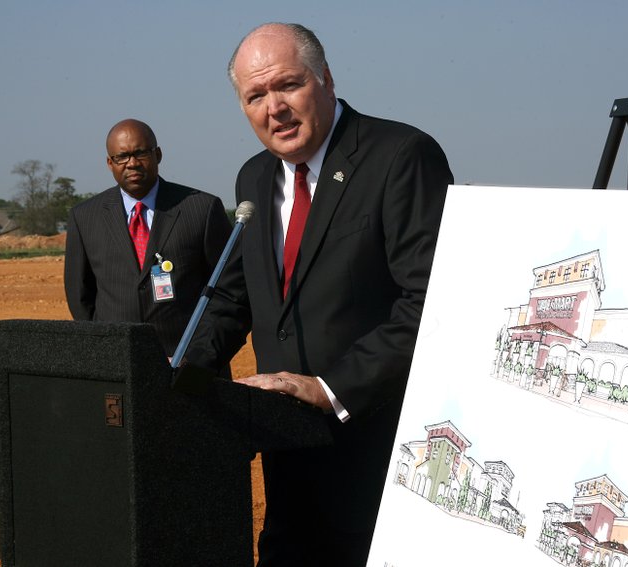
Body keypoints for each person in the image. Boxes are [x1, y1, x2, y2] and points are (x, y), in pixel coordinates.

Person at [187, 23, 453, 566]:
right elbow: (235, 295)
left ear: (326, 79)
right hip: (287, 454)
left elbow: (430, 301)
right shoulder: (254, 178)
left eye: (287, 85)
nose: (274, 108)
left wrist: (330, 388)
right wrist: (175, 374)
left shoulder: (400, 156)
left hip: (375, 447)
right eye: (255, 96)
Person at [64, 118, 233, 361]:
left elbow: (227, 289)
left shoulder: (201, 209)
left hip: (190, 362)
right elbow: (81, 297)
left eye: (140, 153)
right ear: (109, 163)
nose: (132, 163)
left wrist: (203, 351)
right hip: (118, 360)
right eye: (122, 157)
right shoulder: (85, 217)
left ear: (158, 154)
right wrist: (102, 348)